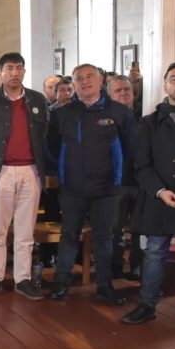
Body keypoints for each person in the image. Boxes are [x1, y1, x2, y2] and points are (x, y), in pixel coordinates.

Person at [47, 64, 136, 304]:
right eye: (79, 79)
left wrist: (116, 176)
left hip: (107, 188)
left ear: (101, 81)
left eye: (90, 77)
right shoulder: (61, 113)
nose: (85, 82)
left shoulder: (119, 112)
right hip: (72, 188)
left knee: (104, 238)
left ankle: (105, 286)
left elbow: (130, 147)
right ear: (72, 84)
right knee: (69, 235)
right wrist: (66, 172)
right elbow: (52, 147)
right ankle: (61, 283)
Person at [122, 62, 175, 329]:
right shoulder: (150, 122)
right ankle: (147, 304)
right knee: (154, 252)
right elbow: (141, 165)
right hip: (159, 197)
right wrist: (160, 191)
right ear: (165, 85)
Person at [0, 53, 47, 300]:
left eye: (19, 68)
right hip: (0, 171)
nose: (15, 73)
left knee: (26, 230)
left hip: (31, 170)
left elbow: (44, 137)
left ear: (24, 72)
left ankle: (23, 278)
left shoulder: (37, 100)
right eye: (10, 68)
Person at [108, 74, 144, 278]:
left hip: (140, 181)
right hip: (116, 182)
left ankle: (137, 267)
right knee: (115, 229)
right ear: (110, 94)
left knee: (140, 228)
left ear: (133, 92)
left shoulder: (145, 115)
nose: (123, 93)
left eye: (127, 90)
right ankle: (115, 266)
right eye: (118, 90)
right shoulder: (104, 117)